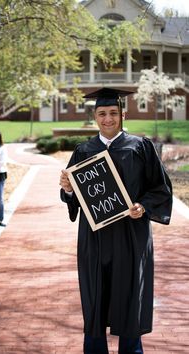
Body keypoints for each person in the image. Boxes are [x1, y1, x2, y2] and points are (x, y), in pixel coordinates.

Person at [59, 88, 172, 354]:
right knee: (95, 294)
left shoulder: (140, 147)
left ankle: (132, 350)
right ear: (94, 116)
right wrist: (68, 189)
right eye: (102, 114)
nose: (108, 119)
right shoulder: (84, 150)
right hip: (95, 238)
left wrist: (143, 207)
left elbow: (160, 188)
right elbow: (73, 198)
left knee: (130, 294)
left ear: (122, 114)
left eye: (112, 113)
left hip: (131, 235)